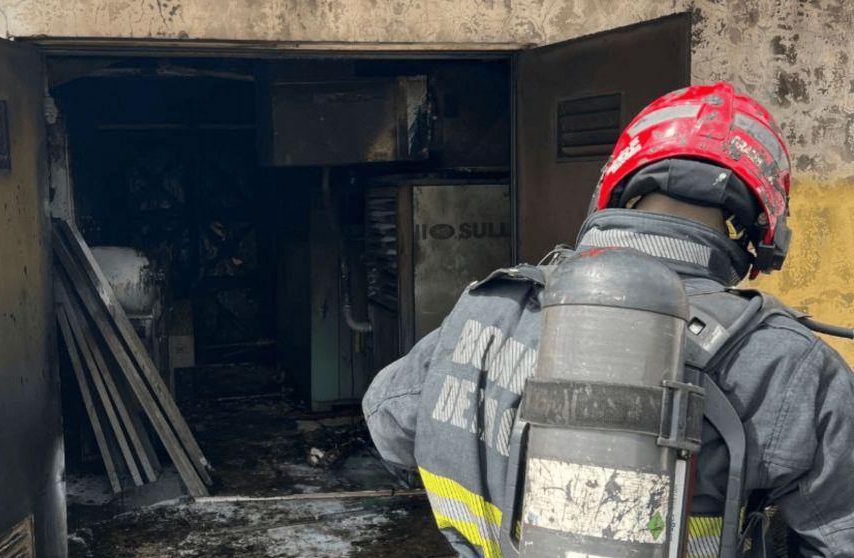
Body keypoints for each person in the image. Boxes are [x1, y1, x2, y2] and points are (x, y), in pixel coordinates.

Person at [362, 82, 854, 558]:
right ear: (765, 230)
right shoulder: (790, 364)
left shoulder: (490, 306)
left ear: (615, 185)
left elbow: (389, 425)